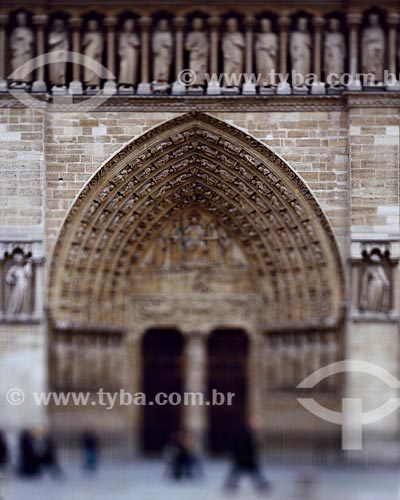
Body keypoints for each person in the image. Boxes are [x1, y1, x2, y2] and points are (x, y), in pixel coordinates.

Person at [224, 421, 270, 492]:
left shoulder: (244, 433)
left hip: (242, 457)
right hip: (245, 457)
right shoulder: (246, 434)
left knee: (239, 471)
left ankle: (230, 484)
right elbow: (248, 445)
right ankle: (262, 484)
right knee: (252, 471)